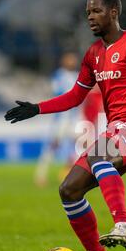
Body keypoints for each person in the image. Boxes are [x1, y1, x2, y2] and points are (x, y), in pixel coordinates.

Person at [5, 0, 126, 251]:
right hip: (115, 129)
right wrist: (38, 108)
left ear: (113, 12)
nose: (90, 16)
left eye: (97, 11)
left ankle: (123, 225)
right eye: (88, 12)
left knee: (98, 153)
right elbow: (77, 95)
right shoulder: (93, 54)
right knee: (69, 190)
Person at [34, 52, 81, 187]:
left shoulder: (77, 75)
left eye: (73, 59)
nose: (72, 62)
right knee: (53, 145)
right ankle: (41, 174)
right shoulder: (59, 75)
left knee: (79, 145)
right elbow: (58, 93)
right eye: (69, 59)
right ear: (63, 61)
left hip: (75, 117)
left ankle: (69, 173)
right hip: (62, 118)